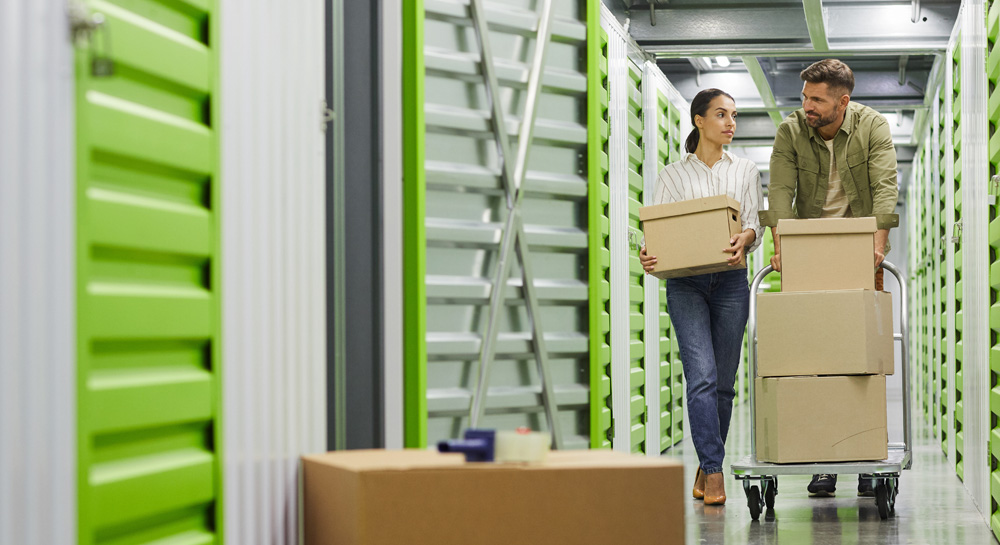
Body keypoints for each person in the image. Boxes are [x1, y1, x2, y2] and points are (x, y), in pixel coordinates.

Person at [761, 59, 899, 498]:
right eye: (804, 97)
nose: (807, 107)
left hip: (860, 249)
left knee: (863, 364)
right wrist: (780, 246)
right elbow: (780, 192)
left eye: (816, 99)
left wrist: (878, 245)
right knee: (814, 363)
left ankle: (863, 456)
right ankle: (824, 460)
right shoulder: (791, 131)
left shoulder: (872, 126)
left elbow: (885, 186)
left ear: (843, 100)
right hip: (808, 252)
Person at [640, 88, 764, 506]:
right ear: (699, 121)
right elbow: (659, 231)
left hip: (731, 281)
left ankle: (705, 462)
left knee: (724, 387)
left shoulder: (745, 169)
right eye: (721, 114)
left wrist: (746, 237)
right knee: (703, 378)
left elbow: (753, 225)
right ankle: (714, 473)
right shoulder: (673, 175)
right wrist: (648, 253)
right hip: (687, 285)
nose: (731, 122)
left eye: (734, 115)